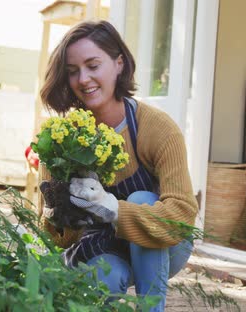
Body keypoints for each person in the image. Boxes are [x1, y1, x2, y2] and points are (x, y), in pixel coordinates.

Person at [36, 20, 198, 312]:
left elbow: (182, 215)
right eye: (73, 71)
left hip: (163, 247)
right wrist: (64, 212)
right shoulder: (61, 139)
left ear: (119, 64)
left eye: (93, 65)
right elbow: (57, 236)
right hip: (103, 245)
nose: (83, 79)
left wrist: (114, 208)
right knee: (104, 277)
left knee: (142, 200)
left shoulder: (156, 128)